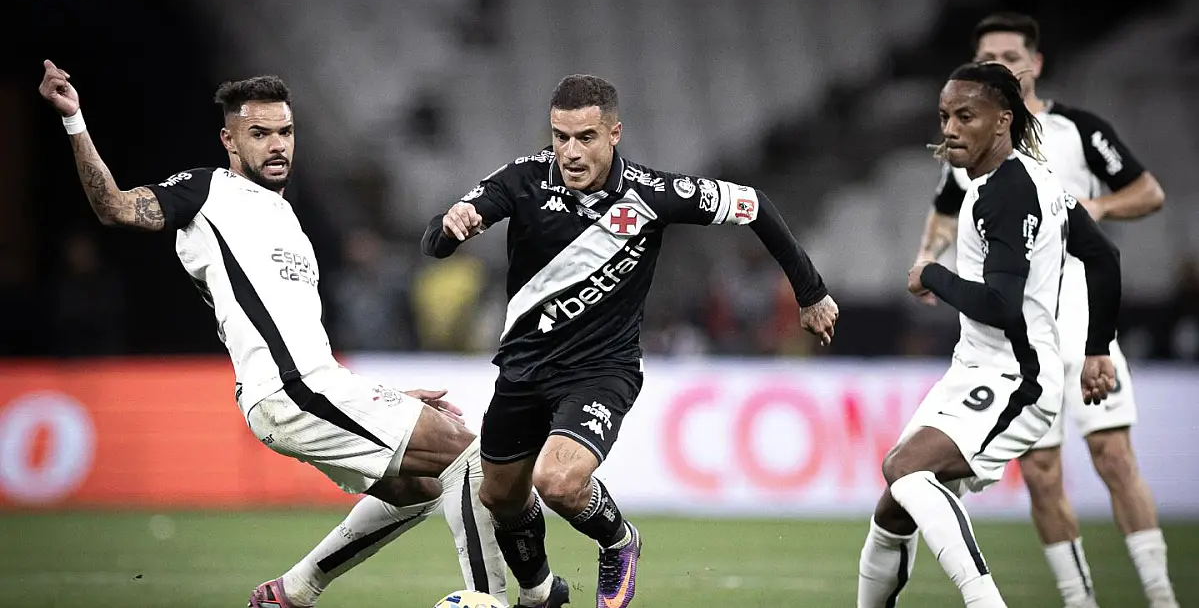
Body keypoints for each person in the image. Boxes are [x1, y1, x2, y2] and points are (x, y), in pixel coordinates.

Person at [37, 61, 510, 608]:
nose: (277, 145)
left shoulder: (291, 224)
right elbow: (114, 206)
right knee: (468, 454)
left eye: (284, 132)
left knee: (419, 488)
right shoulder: (208, 192)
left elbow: (301, 343)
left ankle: (292, 591)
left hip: (309, 387)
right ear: (229, 140)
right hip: (288, 391)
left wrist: (386, 398)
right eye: (259, 134)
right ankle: (492, 601)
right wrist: (74, 120)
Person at [422, 74, 838, 608]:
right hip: (523, 369)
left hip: (601, 370)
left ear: (614, 133)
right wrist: (452, 226)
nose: (571, 152)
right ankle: (540, 594)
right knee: (500, 496)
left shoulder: (652, 194)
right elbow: (435, 241)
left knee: (558, 480)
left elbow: (754, 204)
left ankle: (619, 542)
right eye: (560, 136)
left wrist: (811, 293)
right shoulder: (522, 179)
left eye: (586, 137)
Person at [912, 12, 1176, 608]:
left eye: (1009, 54)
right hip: (1021, 334)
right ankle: (1078, 600)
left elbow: (1150, 191)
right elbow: (946, 209)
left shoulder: (1076, 129)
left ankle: (1161, 597)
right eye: (987, 57)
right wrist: (928, 254)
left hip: (1081, 312)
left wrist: (1093, 210)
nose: (999, 65)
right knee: (1041, 471)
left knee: (1112, 455)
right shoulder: (975, 142)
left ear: (1035, 63)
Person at [855, 61, 1123, 608]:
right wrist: (1096, 349)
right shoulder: (1033, 181)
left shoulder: (1007, 193)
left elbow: (1002, 305)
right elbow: (1104, 256)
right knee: (893, 505)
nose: (949, 128)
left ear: (1002, 121)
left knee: (905, 469)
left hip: (1017, 378)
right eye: (945, 116)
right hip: (977, 368)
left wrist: (932, 274)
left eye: (965, 116)